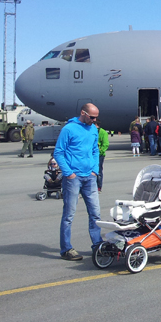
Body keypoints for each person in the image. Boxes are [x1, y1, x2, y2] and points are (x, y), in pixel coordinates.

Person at [53, 103, 103, 261]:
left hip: (90, 177)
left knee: (95, 213)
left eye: (96, 118)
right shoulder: (69, 129)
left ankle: (97, 245)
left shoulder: (93, 129)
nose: (94, 121)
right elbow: (58, 152)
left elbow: (95, 150)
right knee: (69, 215)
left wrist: (95, 170)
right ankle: (66, 248)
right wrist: (69, 174)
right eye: (92, 117)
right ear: (83, 113)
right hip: (74, 178)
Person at [95, 118, 109, 192]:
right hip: (91, 154)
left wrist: (100, 150)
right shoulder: (90, 131)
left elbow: (106, 144)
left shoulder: (103, 132)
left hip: (99, 155)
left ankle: (99, 186)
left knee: (99, 171)